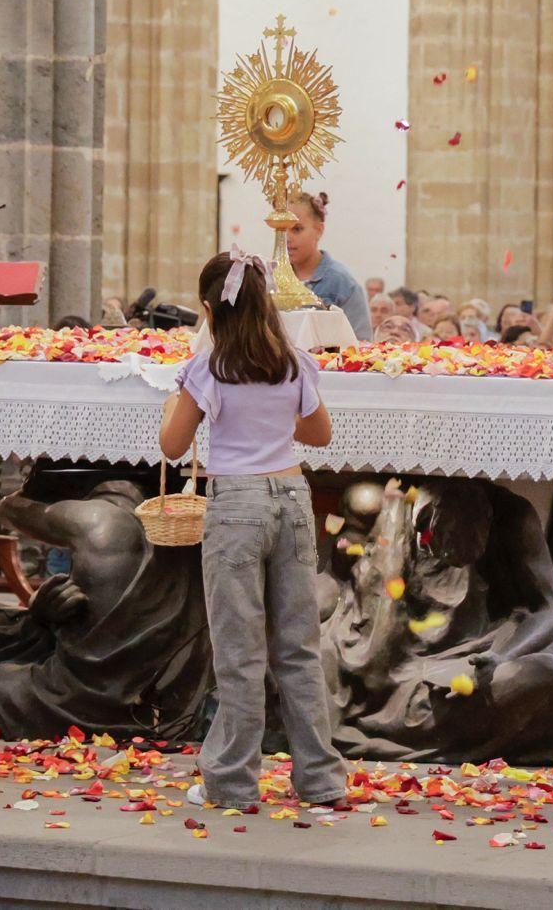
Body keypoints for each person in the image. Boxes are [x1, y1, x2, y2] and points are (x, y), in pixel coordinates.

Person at [160, 250, 348, 810]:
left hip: (237, 504)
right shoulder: (290, 362)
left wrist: (181, 392)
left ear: (208, 310)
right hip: (291, 498)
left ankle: (233, 781)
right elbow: (319, 435)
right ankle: (320, 780)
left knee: (240, 653)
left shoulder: (208, 366)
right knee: (298, 649)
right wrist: (268, 417)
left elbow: (173, 446)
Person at [284, 192, 371, 340]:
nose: (287, 237)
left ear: (319, 230)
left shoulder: (342, 284)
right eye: (281, 229)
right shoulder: (273, 279)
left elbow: (360, 342)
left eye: (297, 229)